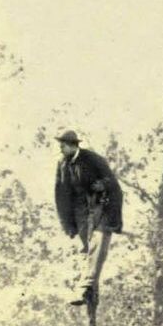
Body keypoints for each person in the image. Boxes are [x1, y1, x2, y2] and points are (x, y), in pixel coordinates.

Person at [53, 129, 124, 307]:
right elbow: (61, 195)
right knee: (87, 251)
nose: (60, 149)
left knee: (98, 245)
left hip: (101, 208)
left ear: (72, 145)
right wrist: (68, 224)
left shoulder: (93, 159)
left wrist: (103, 185)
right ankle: (89, 293)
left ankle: (86, 288)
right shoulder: (62, 164)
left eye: (62, 145)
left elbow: (113, 184)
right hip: (80, 213)